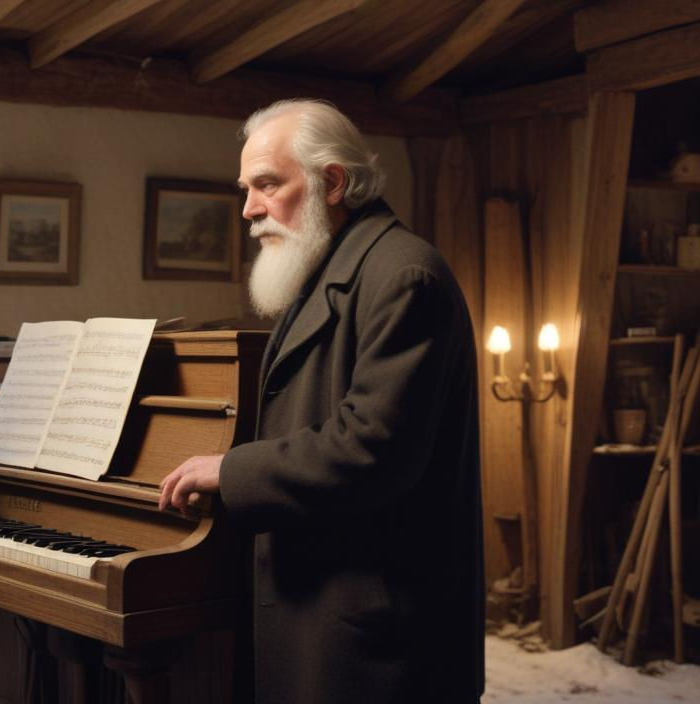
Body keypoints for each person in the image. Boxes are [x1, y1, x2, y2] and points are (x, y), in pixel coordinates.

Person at [159, 100, 483, 704]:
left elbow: (373, 450)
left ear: (333, 182)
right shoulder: (331, 266)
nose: (250, 208)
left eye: (267, 184)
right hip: (322, 601)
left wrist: (229, 471)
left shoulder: (405, 276)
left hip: (378, 625)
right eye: (246, 188)